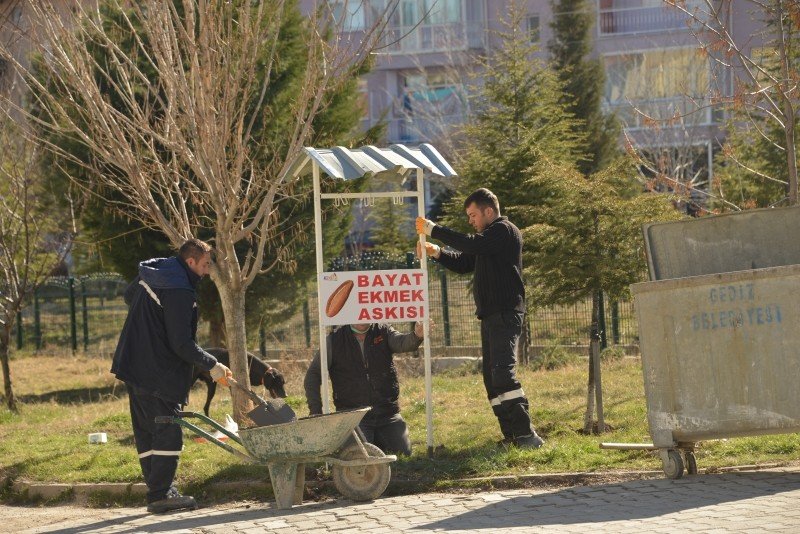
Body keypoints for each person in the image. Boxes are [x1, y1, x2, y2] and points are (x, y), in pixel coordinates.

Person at [415, 188, 544, 449]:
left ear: (488, 211)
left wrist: (434, 229)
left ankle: (527, 435)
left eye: (473, 215)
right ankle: (512, 437)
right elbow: (465, 262)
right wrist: (437, 253)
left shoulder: (503, 230)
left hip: (506, 313)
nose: (471, 221)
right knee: (492, 379)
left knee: (502, 375)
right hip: (491, 316)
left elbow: (473, 244)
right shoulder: (487, 240)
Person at [111, 239, 233, 513]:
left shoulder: (158, 273)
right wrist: (212, 365)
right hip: (157, 371)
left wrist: (149, 325)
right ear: (190, 262)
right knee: (168, 430)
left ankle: (158, 491)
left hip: (133, 363)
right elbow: (180, 343)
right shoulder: (178, 289)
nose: (206, 271)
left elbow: (130, 296)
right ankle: (162, 494)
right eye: (204, 265)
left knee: (147, 431)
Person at [304, 322, 425, 456]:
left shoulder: (383, 331)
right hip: (353, 417)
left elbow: (402, 342)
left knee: (404, 454)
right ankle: (370, 442)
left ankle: (377, 442)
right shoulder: (333, 340)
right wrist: (315, 411)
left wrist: (416, 336)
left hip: (387, 414)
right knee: (358, 457)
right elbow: (313, 376)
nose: (361, 319)